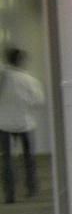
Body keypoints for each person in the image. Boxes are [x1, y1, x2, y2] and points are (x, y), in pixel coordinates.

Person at [0, 48, 45, 204]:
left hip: (3, 124)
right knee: (29, 158)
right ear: (21, 61)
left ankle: (10, 194)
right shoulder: (29, 80)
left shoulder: (2, 77)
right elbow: (38, 101)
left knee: (7, 159)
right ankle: (31, 188)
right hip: (26, 123)